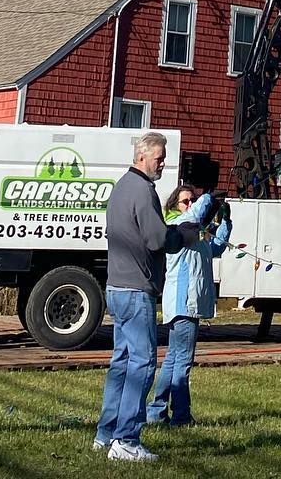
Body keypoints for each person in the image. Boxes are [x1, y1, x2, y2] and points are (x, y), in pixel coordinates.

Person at [96, 131, 212, 464]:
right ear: (142, 156)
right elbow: (158, 240)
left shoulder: (121, 187)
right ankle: (126, 439)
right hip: (136, 290)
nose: (162, 164)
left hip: (116, 287)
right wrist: (185, 233)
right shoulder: (143, 190)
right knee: (143, 363)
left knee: (121, 362)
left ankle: (105, 434)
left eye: (164, 158)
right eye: (159, 158)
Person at [146, 182, 232, 429]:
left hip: (188, 304)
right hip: (183, 303)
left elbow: (215, 248)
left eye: (192, 200)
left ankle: (156, 411)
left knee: (173, 359)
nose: (191, 204)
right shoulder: (176, 226)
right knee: (182, 362)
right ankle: (181, 416)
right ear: (175, 206)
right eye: (186, 201)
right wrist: (208, 198)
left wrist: (225, 222)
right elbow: (194, 215)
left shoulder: (193, 233)